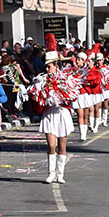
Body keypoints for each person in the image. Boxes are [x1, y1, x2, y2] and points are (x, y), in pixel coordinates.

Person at [28, 41, 75, 184]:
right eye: (46, 67)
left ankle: (60, 174)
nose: (48, 69)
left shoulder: (65, 79)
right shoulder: (41, 80)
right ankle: (51, 173)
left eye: (50, 66)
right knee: (51, 145)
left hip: (62, 113)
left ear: (56, 66)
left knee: (62, 145)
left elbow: (72, 95)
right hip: (49, 114)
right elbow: (36, 97)